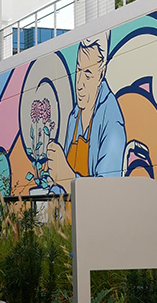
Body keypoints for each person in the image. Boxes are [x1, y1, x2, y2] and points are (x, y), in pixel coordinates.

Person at [46, 33, 126, 192]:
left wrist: (65, 175)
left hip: (96, 216)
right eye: (78, 70)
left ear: (101, 74)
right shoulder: (74, 116)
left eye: (88, 74)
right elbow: (63, 188)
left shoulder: (111, 118)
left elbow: (108, 190)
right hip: (71, 215)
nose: (79, 84)